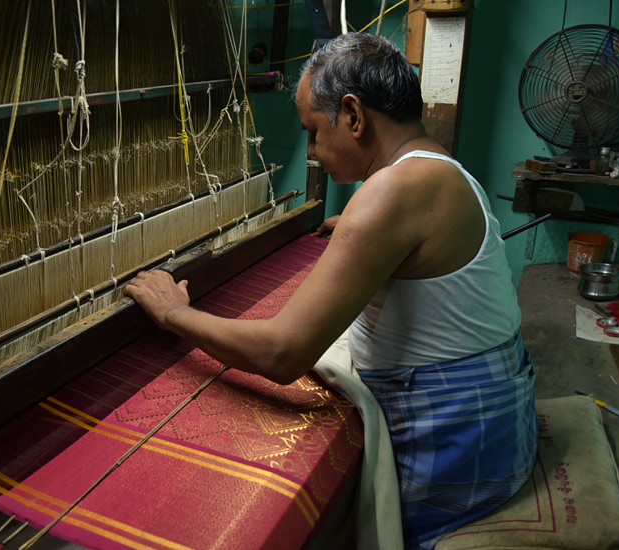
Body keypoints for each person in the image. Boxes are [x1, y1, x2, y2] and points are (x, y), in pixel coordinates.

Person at [124, 32, 537, 550]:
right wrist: (359, 232)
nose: (313, 153)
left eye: (314, 133)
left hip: (459, 460)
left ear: (353, 114)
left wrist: (173, 313)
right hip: (498, 431)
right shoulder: (440, 169)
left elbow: (282, 353)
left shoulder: (391, 192)